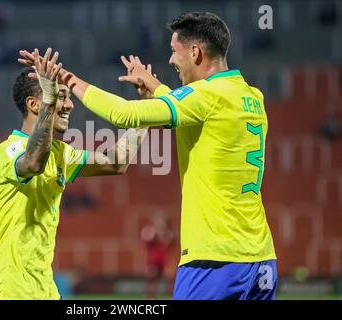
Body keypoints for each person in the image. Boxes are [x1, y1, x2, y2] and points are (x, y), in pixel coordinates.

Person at [19, 12, 277, 300]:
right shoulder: (251, 96)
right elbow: (195, 107)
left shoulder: (206, 97)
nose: (170, 60)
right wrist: (155, 87)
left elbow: (124, 114)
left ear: (195, 52)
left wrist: (67, 79)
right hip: (261, 259)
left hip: (216, 259)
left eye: (173, 51)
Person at [0, 48, 148, 300]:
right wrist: (50, 100)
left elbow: (117, 162)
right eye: (60, 96)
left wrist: (144, 109)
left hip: (43, 289)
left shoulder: (61, 153)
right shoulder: (8, 150)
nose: (69, 105)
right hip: (7, 289)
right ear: (35, 104)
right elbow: (33, 163)